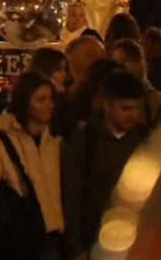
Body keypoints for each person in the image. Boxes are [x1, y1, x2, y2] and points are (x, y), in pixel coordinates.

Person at [0, 73, 66, 258]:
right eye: (40, 99)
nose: (48, 105)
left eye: (51, 98)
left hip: (52, 234)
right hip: (20, 237)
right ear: (24, 103)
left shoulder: (54, 143)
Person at [62, 71, 147, 257]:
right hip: (94, 241)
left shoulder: (142, 141)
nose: (131, 115)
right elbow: (71, 197)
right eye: (125, 108)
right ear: (107, 104)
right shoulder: (85, 141)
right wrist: (76, 247)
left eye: (136, 108)